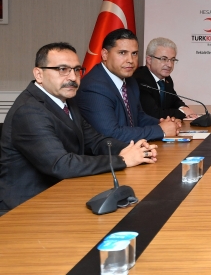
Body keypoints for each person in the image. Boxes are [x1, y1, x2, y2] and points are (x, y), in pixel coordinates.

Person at [0, 42, 157, 213]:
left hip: (61, 195)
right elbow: (61, 164)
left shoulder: (66, 100)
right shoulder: (29, 111)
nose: (73, 78)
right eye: (62, 69)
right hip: (26, 209)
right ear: (39, 74)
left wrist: (131, 149)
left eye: (76, 70)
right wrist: (123, 160)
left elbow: (95, 141)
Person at [76, 29, 180, 143]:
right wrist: (160, 130)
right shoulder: (94, 87)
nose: (130, 60)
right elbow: (111, 134)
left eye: (134, 53)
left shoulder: (130, 81)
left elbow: (138, 117)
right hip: (108, 153)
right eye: (122, 53)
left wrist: (164, 123)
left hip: (131, 149)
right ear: (105, 54)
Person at [132, 37, 197, 120]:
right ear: (149, 60)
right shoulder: (140, 80)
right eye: (164, 59)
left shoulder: (166, 79)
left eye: (172, 60)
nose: (169, 65)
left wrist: (183, 107)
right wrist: (182, 112)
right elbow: (153, 114)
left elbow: (175, 100)